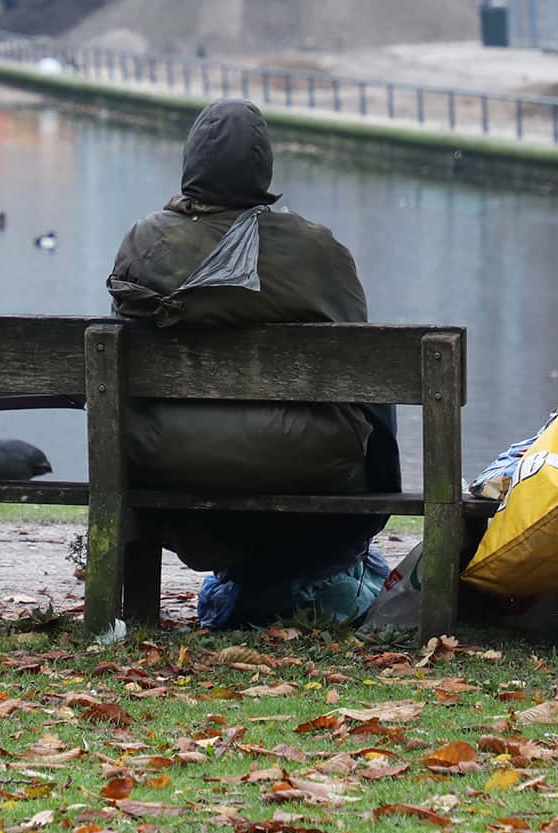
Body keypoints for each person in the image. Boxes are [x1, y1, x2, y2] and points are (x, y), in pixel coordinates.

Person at [107, 99, 399, 627]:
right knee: (376, 380)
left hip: (165, 463)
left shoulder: (145, 243)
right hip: (310, 466)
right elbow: (361, 371)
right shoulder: (317, 252)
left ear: (190, 163)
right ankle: (304, 571)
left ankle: (233, 585)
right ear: (263, 168)